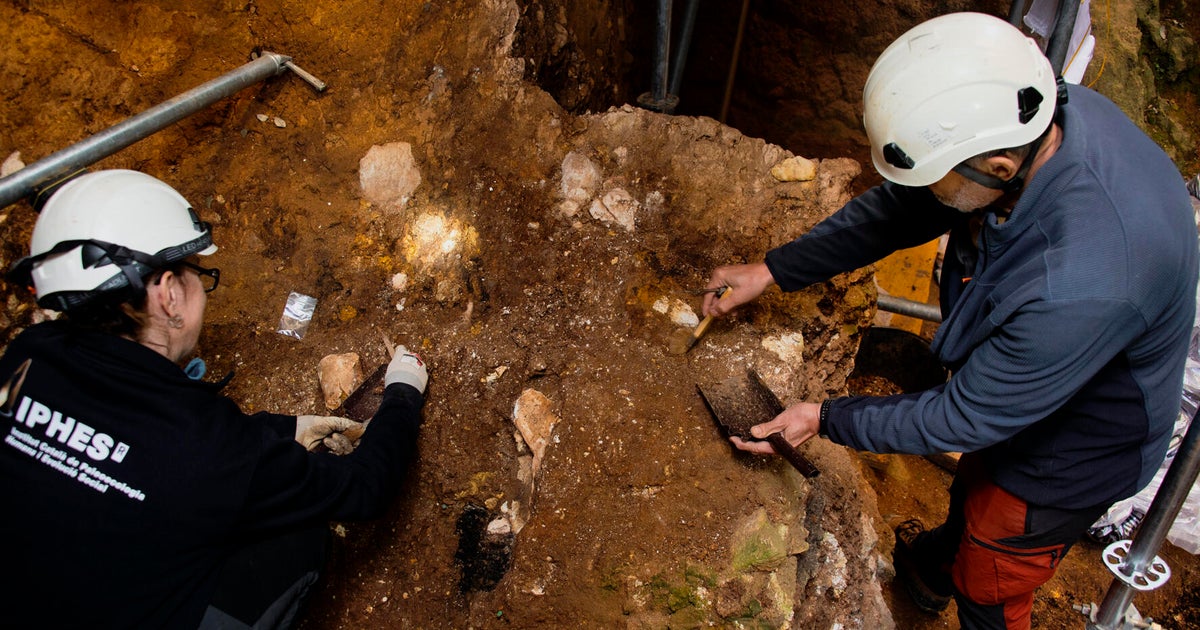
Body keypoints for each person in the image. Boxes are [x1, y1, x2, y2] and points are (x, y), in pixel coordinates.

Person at [702, 13, 1198, 630]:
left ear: (995, 169)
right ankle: (934, 568)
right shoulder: (1035, 121)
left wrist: (822, 418)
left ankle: (969, 587)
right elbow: (901, 210)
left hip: (1083, 442)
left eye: (937, 178)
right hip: (1038, 370)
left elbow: (964, 414)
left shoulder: (1078, 284)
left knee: (996, 563)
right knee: (976, 488)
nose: (928, 193)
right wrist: (774, 269)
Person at [0, 169, 429, 629]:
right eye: (194, 274)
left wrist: (286, 430)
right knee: (301, 536)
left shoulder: (25, 359)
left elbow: (137, 446)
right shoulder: (204, 449)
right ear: (167, 295)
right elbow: (365, 489)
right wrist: (402, 393)